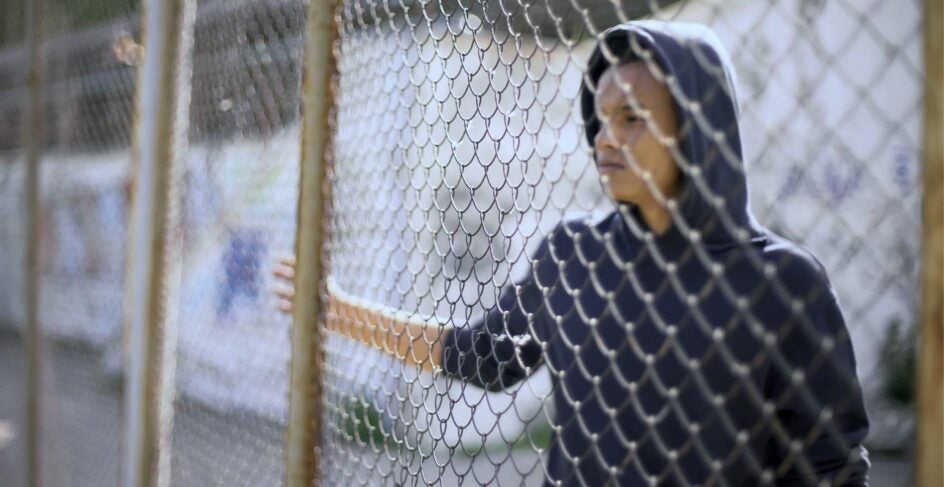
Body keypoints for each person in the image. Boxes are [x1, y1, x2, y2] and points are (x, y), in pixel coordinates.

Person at [276, 20, 870, 486]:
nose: (605, 137)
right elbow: (478, 356)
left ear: (697, 126)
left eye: (633, 118)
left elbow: (831, 467)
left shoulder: (783, 282)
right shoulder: (573, 255)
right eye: (601, 116)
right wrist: (333, 309)